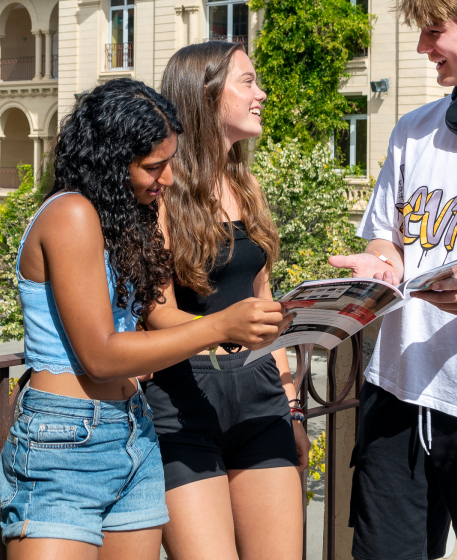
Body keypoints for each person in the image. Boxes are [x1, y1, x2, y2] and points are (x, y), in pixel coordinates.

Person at [0, 77, 293, 560]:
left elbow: (137, 323)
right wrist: (219, 327)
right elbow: (100, 354)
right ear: (112, 163)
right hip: (64, 443)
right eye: (154, 166)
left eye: (171, 161)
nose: (170, 178)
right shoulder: (71, 213)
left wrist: (258, 324)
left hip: (130, 431)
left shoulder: (121, 217)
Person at [144, 42, 309, 560]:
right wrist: (223, 326)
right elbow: (156, 314)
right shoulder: (162, 194)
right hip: (186, 397)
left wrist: (293, 406)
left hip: (260, 395)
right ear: (206, 96)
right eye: (248, 82)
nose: (261, 93)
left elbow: (263, 298)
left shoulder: (245, 183)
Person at [329, 0, 457, 560]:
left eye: (435, 30)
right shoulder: (412, 129)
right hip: (397, 394)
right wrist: (379, 263)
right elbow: (387, 236)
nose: (422, 48)